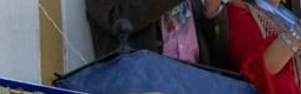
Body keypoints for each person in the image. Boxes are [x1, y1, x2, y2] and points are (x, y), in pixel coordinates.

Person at [85, 0, 229, 66]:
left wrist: (211, 12)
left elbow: (217, 56)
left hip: (196, 89)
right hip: (142, 89)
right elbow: (117, 17)